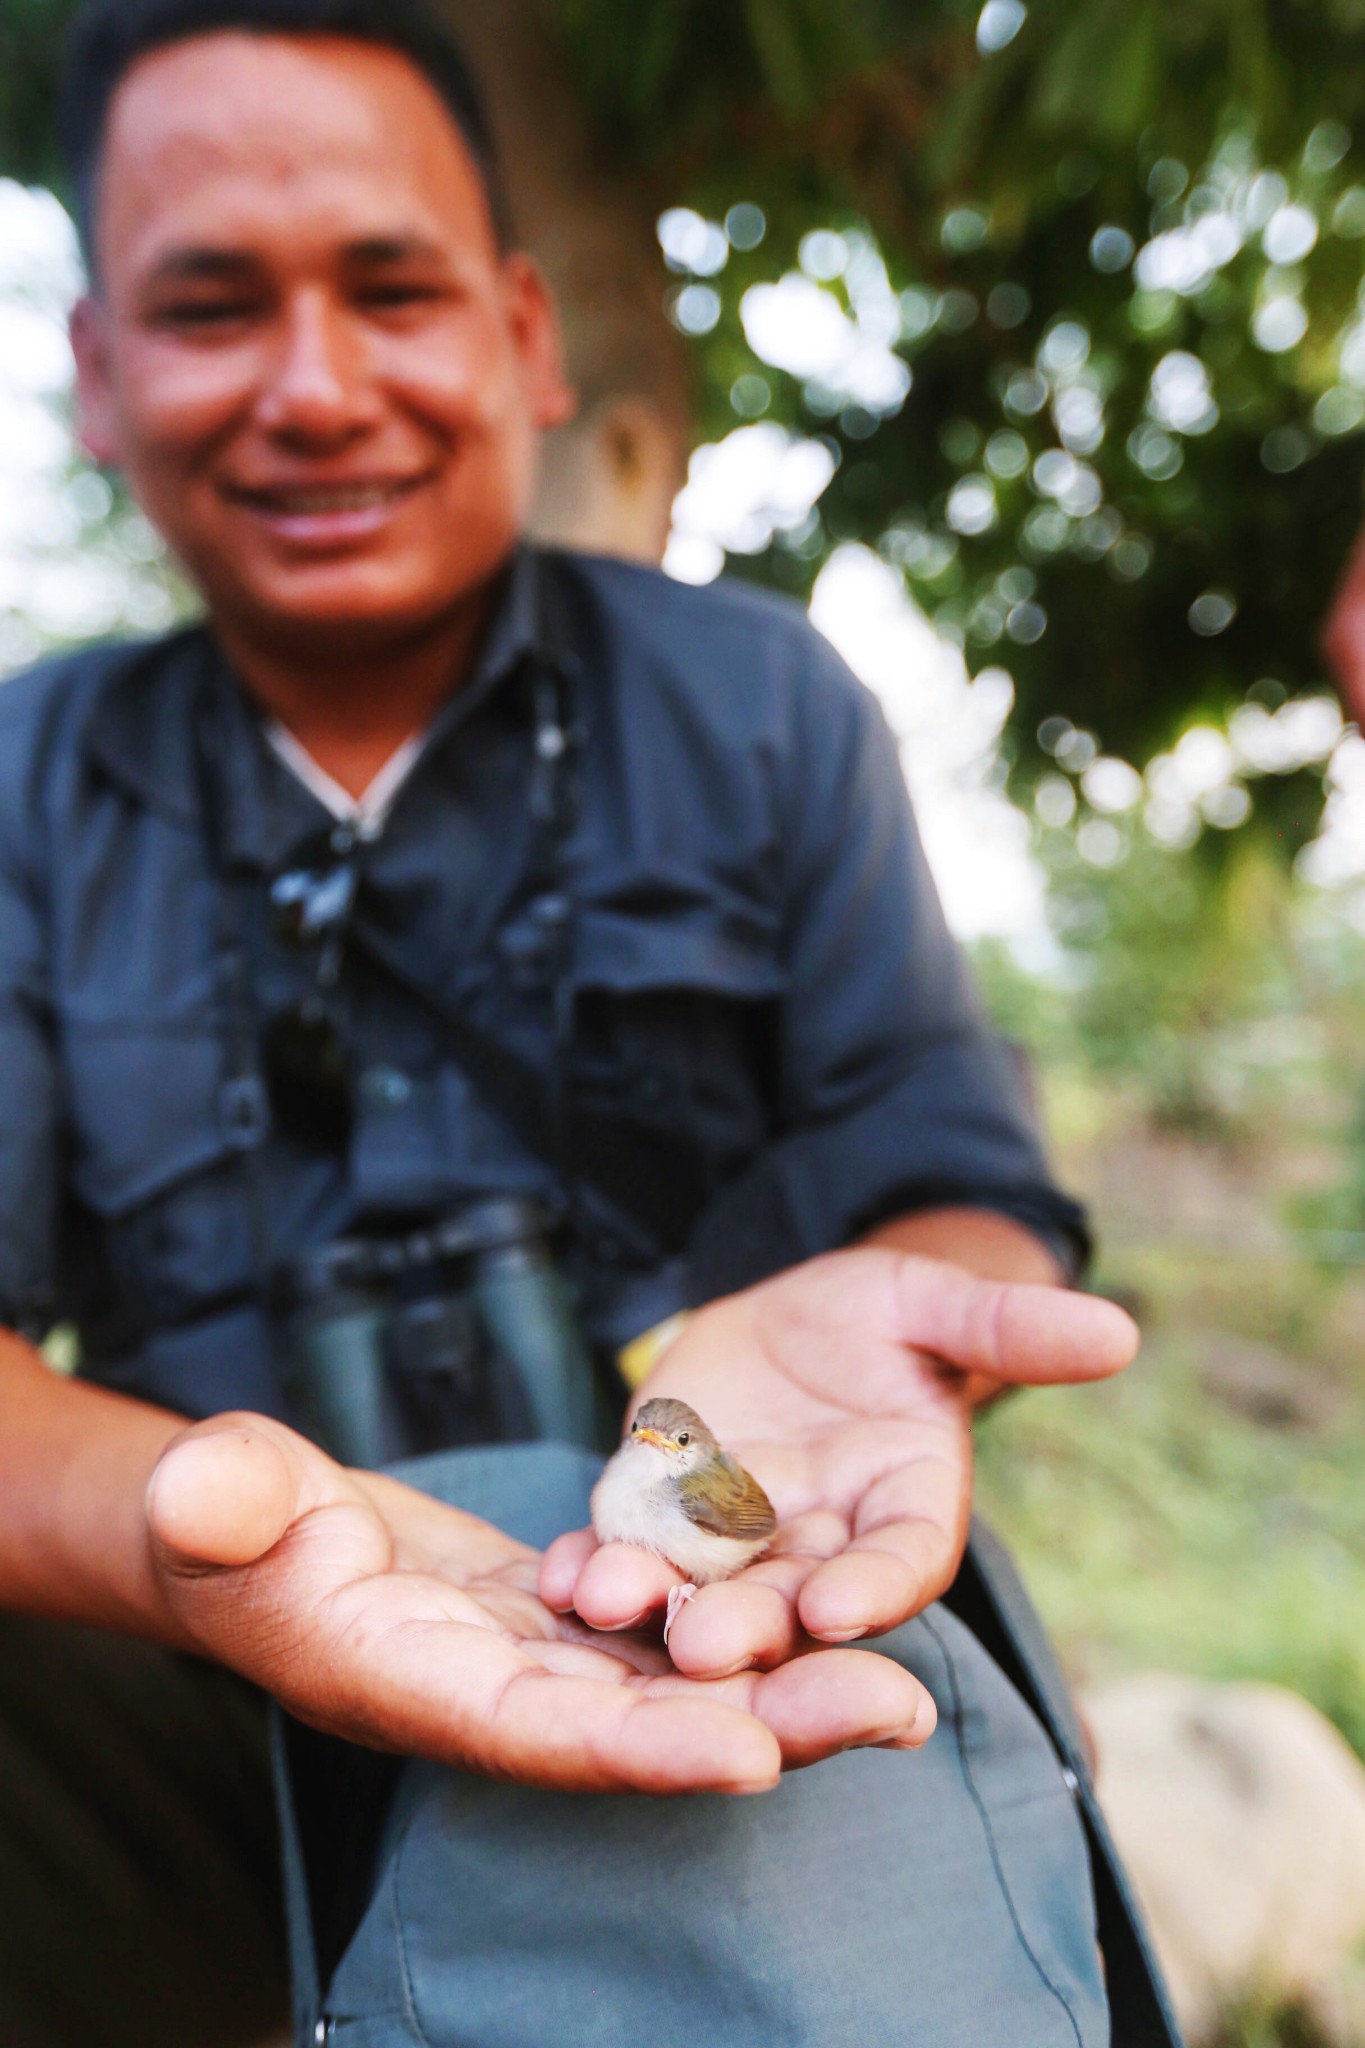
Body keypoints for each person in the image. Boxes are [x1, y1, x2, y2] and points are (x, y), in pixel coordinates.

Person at [0, 2, 1182, 2043]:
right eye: (210, 306)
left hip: (719, 1631)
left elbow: (951, 1183)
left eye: (391, 289)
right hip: (187, 1692)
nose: (314, 385)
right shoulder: (19, 779)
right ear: (98, 373)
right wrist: (218, 1544)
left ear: (528, 334)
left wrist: (898, 1328)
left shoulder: (757, 704)